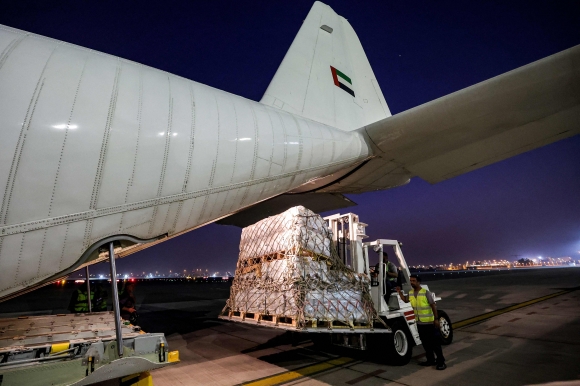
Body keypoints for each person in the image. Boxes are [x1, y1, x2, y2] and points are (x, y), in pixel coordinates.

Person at [396, 275, 447, 370]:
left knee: (435, 344)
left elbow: (433, 306)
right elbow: (405, 300)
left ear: (418, 282)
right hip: (420, 323)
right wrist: (399, 292)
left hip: (429, 323)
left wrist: (436, 319)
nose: (412, 282)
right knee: (426, 344)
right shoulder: (411, 293)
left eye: (414, 281)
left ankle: (441, 362)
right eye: (411, 281)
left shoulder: (425, 293)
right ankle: (430, 360)